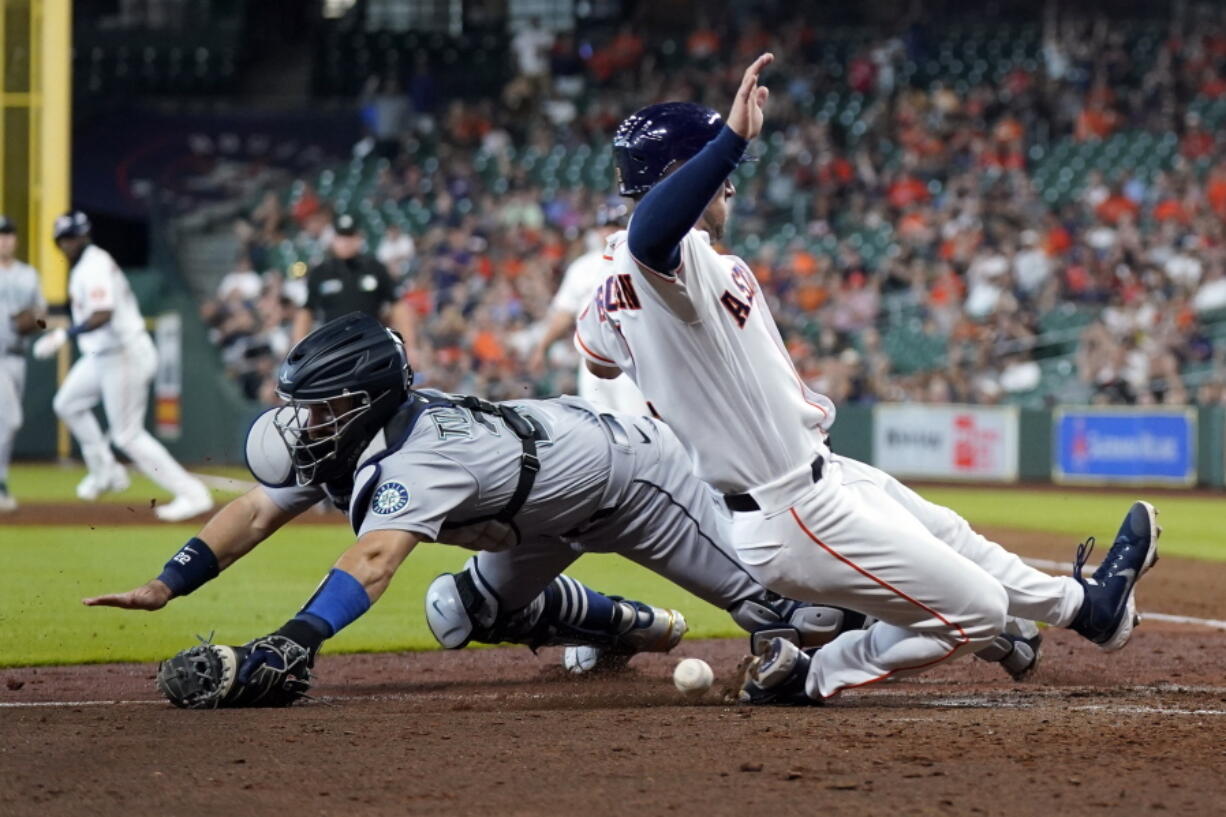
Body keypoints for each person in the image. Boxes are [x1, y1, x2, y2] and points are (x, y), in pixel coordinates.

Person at [574, 54, 1160, 705]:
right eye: (716, 168)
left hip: (819, 473)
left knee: (954, 536)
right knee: (982, 612)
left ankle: (1091, 607)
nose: (731, 184)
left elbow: (598, 354)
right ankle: (809, 675)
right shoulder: (661, 258)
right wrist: (732, 140)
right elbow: (650, 235)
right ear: (680, 179)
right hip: (788, 508)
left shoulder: (610, 284)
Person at [83, 313, 872, 706]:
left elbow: (371, 559)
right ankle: (627, 625)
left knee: (791, 616)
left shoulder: (418, 452)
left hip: (630, 481)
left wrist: (296, 641)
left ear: (365, 403)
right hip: (542, 512)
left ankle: (924, 604)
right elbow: (254, 512)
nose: (304, 421)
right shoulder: (342, 440)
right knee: (459, 610)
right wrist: (169, 581)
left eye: (321, 407)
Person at [31, 211, 214, 522]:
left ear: (84, 235)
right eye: (63, 239)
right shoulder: (83, 267)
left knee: (127, 435)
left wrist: (65, 334)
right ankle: (106, 472)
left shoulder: (95, 264)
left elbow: (103, 312)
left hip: (123, 353)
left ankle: (193, 494)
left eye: (72, 237)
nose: (68, 243)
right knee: (67, 403)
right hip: (102, 355)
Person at [529, 203, 648, 414]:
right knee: (598, 427)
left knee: (637, 424)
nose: (611, 231)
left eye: (617, 225)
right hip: (591, 359)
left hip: (632, 358)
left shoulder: (641, 263)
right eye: (607, 226)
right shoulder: (582, 267)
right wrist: (543, 346)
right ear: (597, 230)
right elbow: (564, 313)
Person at [292, 214, 415, 354]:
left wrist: (410, 346)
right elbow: (306, 312)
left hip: (372, 346)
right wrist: (298, 351)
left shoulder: (375, 268)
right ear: (334, 239)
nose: (345, 242)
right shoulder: (320, 273)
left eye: (350, 236)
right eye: (341, 237)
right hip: (333, 349)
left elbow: (397, 306)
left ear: (359, 238)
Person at [0, 216, 46, 512]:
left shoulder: (28, 275)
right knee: (11, 419)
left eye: (8, 234)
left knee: (7, 425)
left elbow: (42, 317)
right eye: (0, 235)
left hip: (17, 357)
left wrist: (33, 321)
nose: (4, 239)